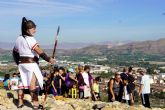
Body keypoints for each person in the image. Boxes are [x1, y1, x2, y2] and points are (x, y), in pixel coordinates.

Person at [13, 17, 55, 109]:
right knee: (32, 84)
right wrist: (49, 59)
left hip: (22, 64)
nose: (35, 30)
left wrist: (18, 63)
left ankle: (20, 103)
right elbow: (39, 50)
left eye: (35, 28)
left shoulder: (18, 39)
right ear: (27, 29)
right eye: (33, 28)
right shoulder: (30, 39)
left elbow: (15, 52)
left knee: (22, 82)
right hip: (31, 64)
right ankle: (35, 105)